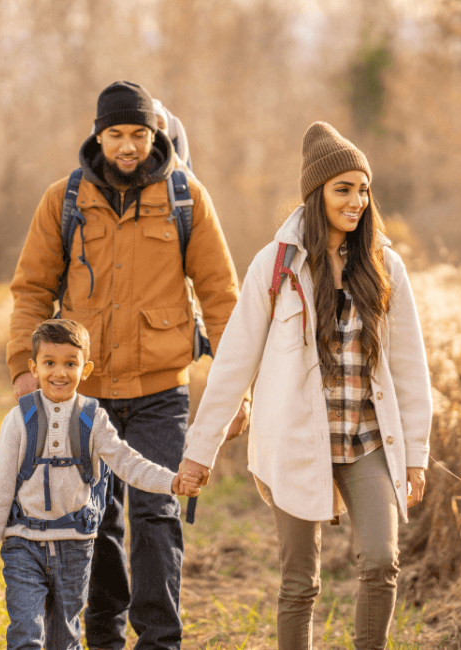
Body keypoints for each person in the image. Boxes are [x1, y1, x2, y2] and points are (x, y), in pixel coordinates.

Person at [6, 80, 248, 650]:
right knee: (95, 521)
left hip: (162, 392)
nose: (128, 146)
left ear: (155, 134)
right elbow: (32, 289)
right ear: (98, 135)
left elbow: (221, 296)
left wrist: (234, 389)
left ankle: (160, 640)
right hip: (85, 392)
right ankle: (104, 638)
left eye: (138, 133)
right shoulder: (62, 200)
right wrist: (23, 368)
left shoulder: (188, 198)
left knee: (157, 513)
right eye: (116, 133)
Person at [175, 122, 433, 650]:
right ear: (317, 194)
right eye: (344, 189)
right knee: (300, 583)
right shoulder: (275, 265)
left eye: (364, 189)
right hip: (294, 441)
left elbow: (410, 367)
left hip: (365, 442)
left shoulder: (385, 266)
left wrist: (416, 454)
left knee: (382, 562)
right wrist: (199, 452)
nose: (357, 201)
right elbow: (233, 364)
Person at [0, 319, 201, 650]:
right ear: (34, 367)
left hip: (75, 547)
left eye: (70, 363)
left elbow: (128, 463)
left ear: (87, 368)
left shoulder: (93, 419)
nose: (59, 372)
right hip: (23, 545)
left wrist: (172, 481)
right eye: (49, 363)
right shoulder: (19, 420)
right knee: (26, 635)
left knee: (65, 638)